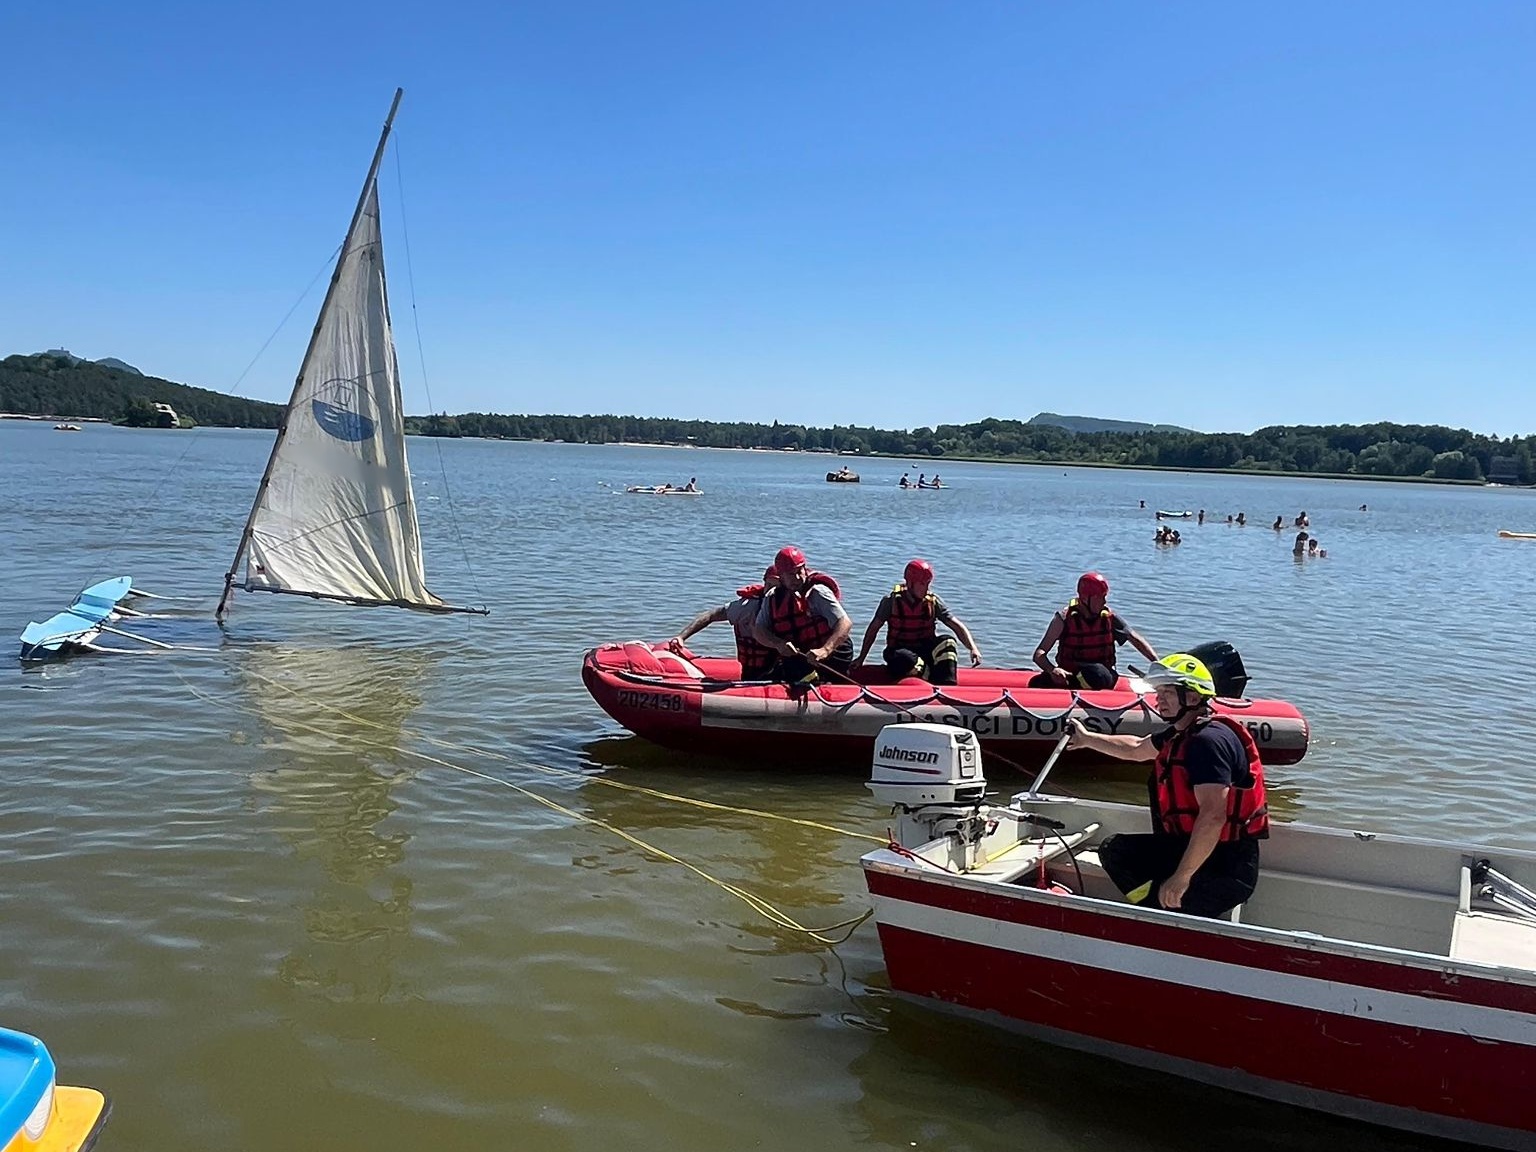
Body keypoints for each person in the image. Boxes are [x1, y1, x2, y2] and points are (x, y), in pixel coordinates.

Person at [1063, 653, 1268, 917]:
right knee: (1116, 851)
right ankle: (1152, 909)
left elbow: (1214, 816)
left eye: (1167, 693)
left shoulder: (1209, 742)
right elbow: (1136, 748)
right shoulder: (1182, 733)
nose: (1159, 699)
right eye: (1158, 692)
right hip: (1192, 849)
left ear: (1193, 697)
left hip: (1225, 867)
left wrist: (1181, 877)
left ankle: (1157, 916)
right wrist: (1087, 739)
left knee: (1160, 887)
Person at [852, 559, 983, 684]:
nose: (926, 588)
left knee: (947, 642)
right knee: (901, 657)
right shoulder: (890, 602)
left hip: (924, 649)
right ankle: (927, 675)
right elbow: (873, 630)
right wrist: (861, 658)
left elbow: (955, 625)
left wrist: (973, 648)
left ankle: (946, 683)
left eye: (928, 583)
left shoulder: (933, 602)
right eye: (922, 584)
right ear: (910, 583)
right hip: (901, 651)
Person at [1031, 572, 1158, 691]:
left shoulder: (1109, 618)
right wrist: (1052, 670)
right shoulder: (1063, 619)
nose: (1104, 601)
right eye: (1100, 597)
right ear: (1086, 598)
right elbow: (1039, 654)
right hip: (1071, 674)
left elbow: (1135, 639)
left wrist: (1157, 663)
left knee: (1096, 672)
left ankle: (1073, 690)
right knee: (1036, 683)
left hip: (1102, 676)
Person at [752, 546, 854, 683]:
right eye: (790, 574)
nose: (797, 578)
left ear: (805, 568)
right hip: (802, 656)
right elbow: (759, 630)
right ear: (781, 576)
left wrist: (825, 650)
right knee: (777, 672)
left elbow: (845, 623)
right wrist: (778, 644)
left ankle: (821, 683)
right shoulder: (772, 597)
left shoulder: (818, 592)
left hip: (833, 655)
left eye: (799, 571)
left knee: (798, 672)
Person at [668, 566, 780, 679]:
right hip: (754, 673)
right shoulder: (747, 607)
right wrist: (681, 637)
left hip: (781, 670)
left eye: (777, 588)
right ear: (764, 582)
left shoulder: (791, 607)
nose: (772, 592)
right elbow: (710, 616)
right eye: (770, 585)